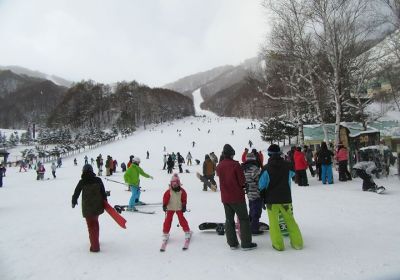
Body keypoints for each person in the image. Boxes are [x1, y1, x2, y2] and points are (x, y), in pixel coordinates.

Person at [258, 144, 303, 251]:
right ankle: (298, 243)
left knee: (274, 223)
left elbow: (261, 185)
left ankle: (278, 245)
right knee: (290, 221)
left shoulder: (266, 168)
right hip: (286, 198)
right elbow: (292, 174)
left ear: (269, 154)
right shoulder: (288, 166)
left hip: (271, 201)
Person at [216, 144, 257, 250]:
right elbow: (242, 181)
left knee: (229, 220)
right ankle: (246, 243)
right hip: (237, 197)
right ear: (232, 154)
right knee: (244, 219)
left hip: (225, 197)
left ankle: (232, 243)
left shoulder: (219, 166)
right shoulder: (235, 165)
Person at [71, 164, 107, 252]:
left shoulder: (82, 181)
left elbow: (76, 192)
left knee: (91, 226)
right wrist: (105, 202)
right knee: (95, 223)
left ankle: (95, 247)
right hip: (98, 206)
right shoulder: (98, 180)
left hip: (88, 208)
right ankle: (95, 241)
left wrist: (73, 201)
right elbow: (103, 192)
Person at [162, 174, 191, 240]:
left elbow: (184, 199)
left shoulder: (182, 191)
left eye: (176, 183)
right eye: (173, 183)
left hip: (179, 208)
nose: (174, 185)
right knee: (168, 220)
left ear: (179, 183)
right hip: (170, 208)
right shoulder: (168, 191)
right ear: (171, 183)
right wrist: (164, 205)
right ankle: (165, 233)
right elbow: (165, 198)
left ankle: (187, 231)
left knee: (182, 220)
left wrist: (184, 206)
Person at [242, 153, 263, 235]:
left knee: (251, 209)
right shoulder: (254, 168)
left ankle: (250, 225)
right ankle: (254, 229)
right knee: (256, 211)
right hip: (256, 192)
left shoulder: (243, 168)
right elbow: (259, 180)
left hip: (249, 191)